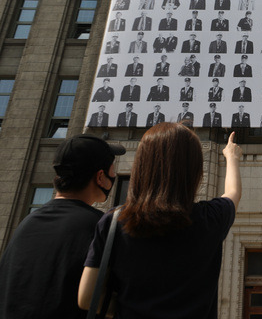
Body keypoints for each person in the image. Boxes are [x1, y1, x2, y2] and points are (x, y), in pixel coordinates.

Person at [79, 125, 241, 319]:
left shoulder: (114, 221)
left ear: (142, 166)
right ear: (195, 170)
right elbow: (233, 192)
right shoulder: (210, 218)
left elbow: (87, 297)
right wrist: (232, 157)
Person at [0, 134, 124, 319]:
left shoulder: (26, 224)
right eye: (113, 169)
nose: (113, 176)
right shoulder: (102, 227)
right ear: (100, 177)